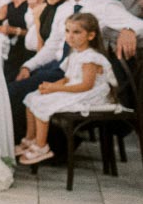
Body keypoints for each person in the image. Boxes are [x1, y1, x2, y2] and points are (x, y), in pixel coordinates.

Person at [11, 0, 143, 139]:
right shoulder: (65, 7)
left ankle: (51, 148)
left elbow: (139, 25)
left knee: (17, 93)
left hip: (78, 75)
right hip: (59, 67)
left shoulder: (105, 5)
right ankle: (37, 144)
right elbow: (52, 45)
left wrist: (129, 29)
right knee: (15, 85)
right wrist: (28, 66)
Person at [19, 13, 117, 165]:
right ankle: (30, 138)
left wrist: (55, 88)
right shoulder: (75, 54)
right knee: (32, 97)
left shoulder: (90, 57)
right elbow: (67, 78)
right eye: (67, 31)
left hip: (90, 94)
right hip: (76, 88)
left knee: (43, 104)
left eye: (76, 32)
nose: (70, 36)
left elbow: (86, 85)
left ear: (91, 35)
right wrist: (50, 87)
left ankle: (41, 147)